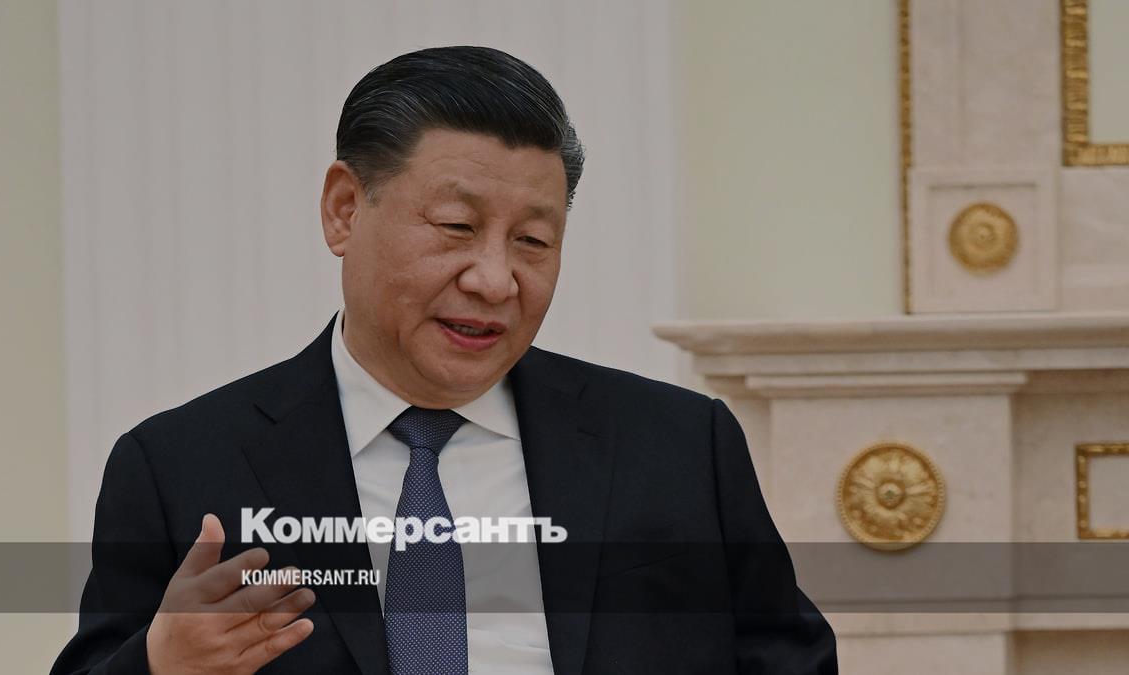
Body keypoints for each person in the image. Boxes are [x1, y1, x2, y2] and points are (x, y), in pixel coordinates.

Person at [52, 46, 836, 674]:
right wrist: (161, 664)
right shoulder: (179, 466)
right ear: (344, 210)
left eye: (533, 241)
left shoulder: (679, 446)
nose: (496, 279)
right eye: (457, 227)